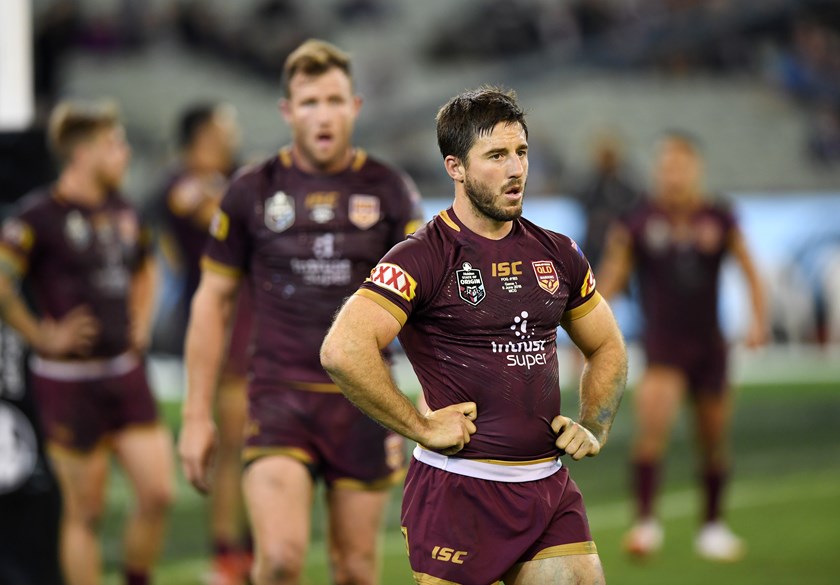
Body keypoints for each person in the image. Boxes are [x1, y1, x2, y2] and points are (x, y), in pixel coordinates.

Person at [320, 86, 628, 585]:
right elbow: (343, 350)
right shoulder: (421, 257)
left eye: (522, 152)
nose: (515, 169)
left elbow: (608, 345)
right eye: (496, 156)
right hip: (457, 493)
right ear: (455, 167)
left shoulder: (559, 254)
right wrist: (420, 428)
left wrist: (594, 424)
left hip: (547, 491)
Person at [177, 39, 424, 585]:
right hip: (279, 396)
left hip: (366, 401)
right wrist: (197, 417)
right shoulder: (250, 192)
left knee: (357, 568)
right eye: (309, 102)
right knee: (283, 558)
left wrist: (431, 397)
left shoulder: (390, 191)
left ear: (354, 107)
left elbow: (428, 303)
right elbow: (211, 302)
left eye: (334, 100)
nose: (323, 114)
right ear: (288, 112)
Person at [0, 101, 175, 585]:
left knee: (159, 492)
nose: (123, 153)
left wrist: (142, 318)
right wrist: (39, 334)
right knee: (86, 511)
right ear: (83, 152)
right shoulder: (38, 216)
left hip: (126, 372)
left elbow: (147, 265)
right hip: (68, 382)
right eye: (114, 144)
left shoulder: (123, 209)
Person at [596, 131, 768, 562]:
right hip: (664, 347)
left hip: (711, 347)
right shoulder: (635, 221)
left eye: (680, 165)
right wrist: (588, 332)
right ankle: (646, 524)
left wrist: (758, 322)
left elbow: (751, 271)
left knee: (712, 442)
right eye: (666, 165)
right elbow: (609, 281)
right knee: (651, 433)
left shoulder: (720, 217)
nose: (672, 174)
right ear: (657, 171)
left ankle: (712, 527)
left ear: (696, 168)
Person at [153, 103, 252, 585]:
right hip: (219, 324)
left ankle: (244, 550)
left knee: (256, 441)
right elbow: (229, 219)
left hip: (253, 320)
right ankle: (230, 555)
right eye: (224, 127)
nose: (233, 134)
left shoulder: (234, 179)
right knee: (235, 442)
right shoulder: (182, 185)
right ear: (201, 136)